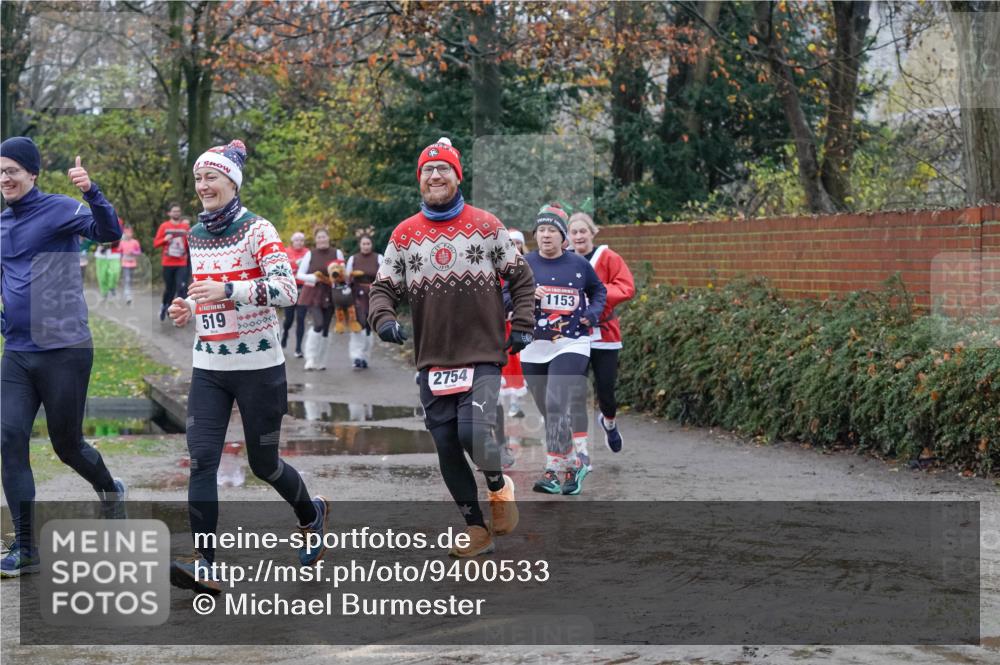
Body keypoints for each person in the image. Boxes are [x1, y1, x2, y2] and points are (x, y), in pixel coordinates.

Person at [166, 139, 328, 594]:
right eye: (198, 178)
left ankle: (310, 513)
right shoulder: (196, 235)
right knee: (201, 459)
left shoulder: (259, 230)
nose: (202, 186)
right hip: (209, 366)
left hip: (259, 367)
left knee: (264, 463)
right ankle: (207, 563)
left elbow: (287, 290)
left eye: (210, 177)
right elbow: (207, 294)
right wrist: (190, 310)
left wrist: (229, 290)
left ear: (231, 182)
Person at [370, 137, 535, 558]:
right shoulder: (404, 235)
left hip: (481, 351)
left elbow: (521, 279)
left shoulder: (486, 225)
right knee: (446, 445)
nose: (435, 176)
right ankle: (476, 528)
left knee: (472, 431)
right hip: (432, 359)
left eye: (443, 169)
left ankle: (499, 486)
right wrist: (384, 319)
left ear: (457, 176)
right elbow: (382, 288)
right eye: (427, 170)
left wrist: (522, 324)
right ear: (419, 180)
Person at [0, 137, 128, 578]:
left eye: (12, 170)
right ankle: (26, 546)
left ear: (32, 173)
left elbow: (110, 232)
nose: (4, 178)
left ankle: (111, 490)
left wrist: (91, 193)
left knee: (66, 445)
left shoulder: (59, 209)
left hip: (65, 350)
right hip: (18, 352)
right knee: (8, 438)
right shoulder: (1, 223)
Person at [518, 204, 606, 495]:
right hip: (534, 344)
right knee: (548, 409)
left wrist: (591, 314)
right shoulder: (524, 265)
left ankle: (553, 469)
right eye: (541, 230)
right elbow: (505, 296)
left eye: (552, 231)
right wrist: (529, 294)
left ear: (563, 236)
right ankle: (574, 463)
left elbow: (599, 291)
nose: (545, 235)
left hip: (572, 342)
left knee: (556, 401)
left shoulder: (579, 264)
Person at [568, 212, 635, 454]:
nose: (578, 236)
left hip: (604, 333)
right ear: (568, 236)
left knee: (606, 390)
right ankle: (580, 447)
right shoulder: (564, 260)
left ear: (592, 232)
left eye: (582, 231)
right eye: (574, 232)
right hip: (573, 335)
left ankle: (609, 422)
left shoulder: (608, 257)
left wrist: (595, 293)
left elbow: (626, 287)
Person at [296, 228, 344, 370]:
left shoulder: (337, 253)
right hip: (313, 293)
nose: (322, 240)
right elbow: (299, 274)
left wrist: (338, 277)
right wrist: (313, 278)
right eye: (319, 237)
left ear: (328, 238)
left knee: (325, 329)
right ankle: (310, 358)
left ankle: (321, 360)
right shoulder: (310, 254)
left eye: (324, 237)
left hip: (330, 293)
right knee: (318, 324)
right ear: (316, 240)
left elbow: (343, 273)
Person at [500, 229, 528, 419]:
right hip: (499, 323)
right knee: (502, 364)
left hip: (519, 322)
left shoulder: (527, 265)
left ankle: (515, 404)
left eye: (518, 243)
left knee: (517, 364)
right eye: (512, 243)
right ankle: (499, 406)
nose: (515, 246)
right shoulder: (497, 267)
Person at [345, 228, 382, 369]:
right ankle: (356, 356)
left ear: (371, 245)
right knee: (358, 324)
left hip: (373, 295)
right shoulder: (353, 259)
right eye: (363, 244)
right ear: (360, 245)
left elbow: (384, 276)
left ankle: (365, 356)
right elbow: (347, 278)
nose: (366, 246)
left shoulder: (379, 258)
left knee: (368, 326)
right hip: (357, 295)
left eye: (368, 244)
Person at [154, 203, 190, 321]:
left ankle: (180, 313)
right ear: (169, 213)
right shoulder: (164, 226)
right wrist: (165, 240)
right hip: (168, 263)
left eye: (178, 211)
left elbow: (189, 244)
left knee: (181, 287)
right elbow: (156, 244)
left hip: (181, 263)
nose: (176, 213)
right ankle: (165, 306)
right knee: (170, 289)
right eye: (174, 211)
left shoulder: (185, 227)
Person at [281, 231, 309, 358]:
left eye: (301, 240)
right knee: (289, 320)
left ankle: (298, 348)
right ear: (292, 241)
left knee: (301, 319)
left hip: (304, 288)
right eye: (297, 240)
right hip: (290, 288)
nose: (299, 242)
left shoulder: (308, 253)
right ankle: (285, 332)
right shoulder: (285, 252)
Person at [118, 225, 143, 306]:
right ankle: (128, 297)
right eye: (126, 233)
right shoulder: (122, 242)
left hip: (133, 263)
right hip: (125, 264)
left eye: (130, 233)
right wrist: (120, 259)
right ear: (124, 233)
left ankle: (129, 294)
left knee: (131, 280)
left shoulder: (135, 242)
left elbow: (139, 252)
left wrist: (133, 252)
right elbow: (120, 252)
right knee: (127, 280)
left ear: (132, 233)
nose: (128, 234)